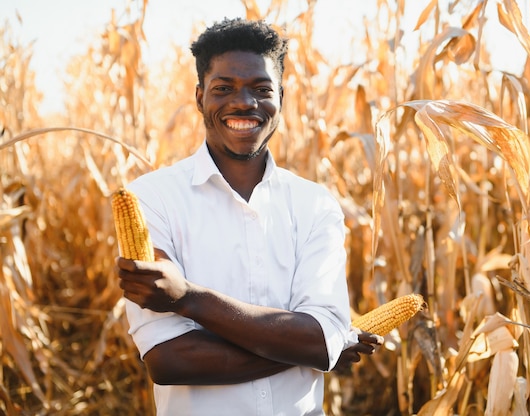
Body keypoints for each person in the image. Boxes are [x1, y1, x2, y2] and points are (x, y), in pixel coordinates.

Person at [116, 17, 382, 416]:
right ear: (200, 96)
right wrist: (316, 350)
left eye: (261, 89)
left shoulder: (315, 205)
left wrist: (188, 297)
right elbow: (170, 360)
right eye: (224, 89)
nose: (244, 102)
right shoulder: (151, 200)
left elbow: (321, 337)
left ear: (281, 98)